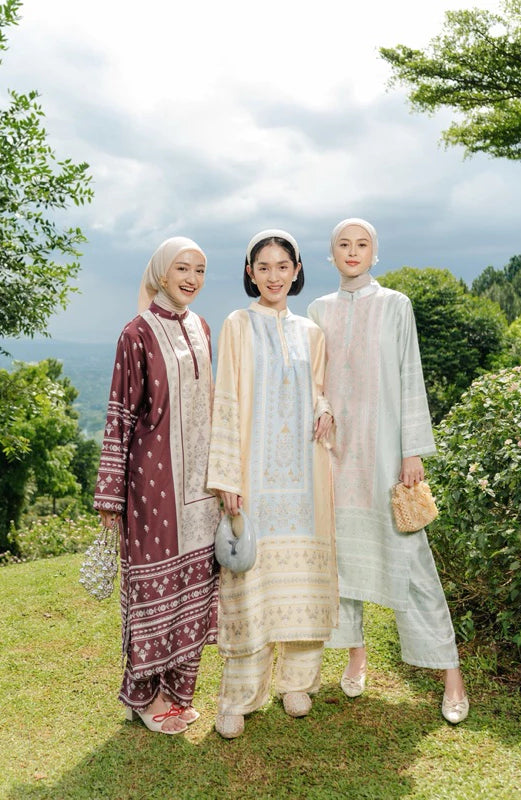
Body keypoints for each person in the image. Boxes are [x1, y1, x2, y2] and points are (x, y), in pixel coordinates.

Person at [308, 218, 469, 725]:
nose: (352, 252)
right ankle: (356, 657)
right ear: (330, 255)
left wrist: (413, 450)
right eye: (343, 245)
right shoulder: (317, 311)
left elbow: (409, 374)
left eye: (362, 245)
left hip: (386, 458)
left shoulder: (396, 305)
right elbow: (312, 379)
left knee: (412, 562)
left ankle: (451, 673)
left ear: (374, 254)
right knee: (342, 564)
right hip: (334, 455)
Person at [207, 229, 338, 739]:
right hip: (254, 480)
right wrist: (228, 476)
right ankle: (239, 696)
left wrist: (325, 411)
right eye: (264, 266)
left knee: (303, 581)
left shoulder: (311, 333)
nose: (274, 275)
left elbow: (320, 390)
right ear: (249, 273)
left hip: (306, 478)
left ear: (297, 270)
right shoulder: (238, 325)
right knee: (250, 582)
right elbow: (227, 399)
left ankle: (297, 683)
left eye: (283, 265)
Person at [94, 237, 221, 734]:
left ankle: (177, 690)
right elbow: (121, 413)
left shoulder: (202, 328)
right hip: (153, 486)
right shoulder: (137, 332)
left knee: (194, 587)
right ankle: (143, 698)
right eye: (182, 268)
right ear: (162, 273)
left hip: (202, 487)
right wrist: (111, 493)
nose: (191, 278)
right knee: (153, 592)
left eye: (200, 270)